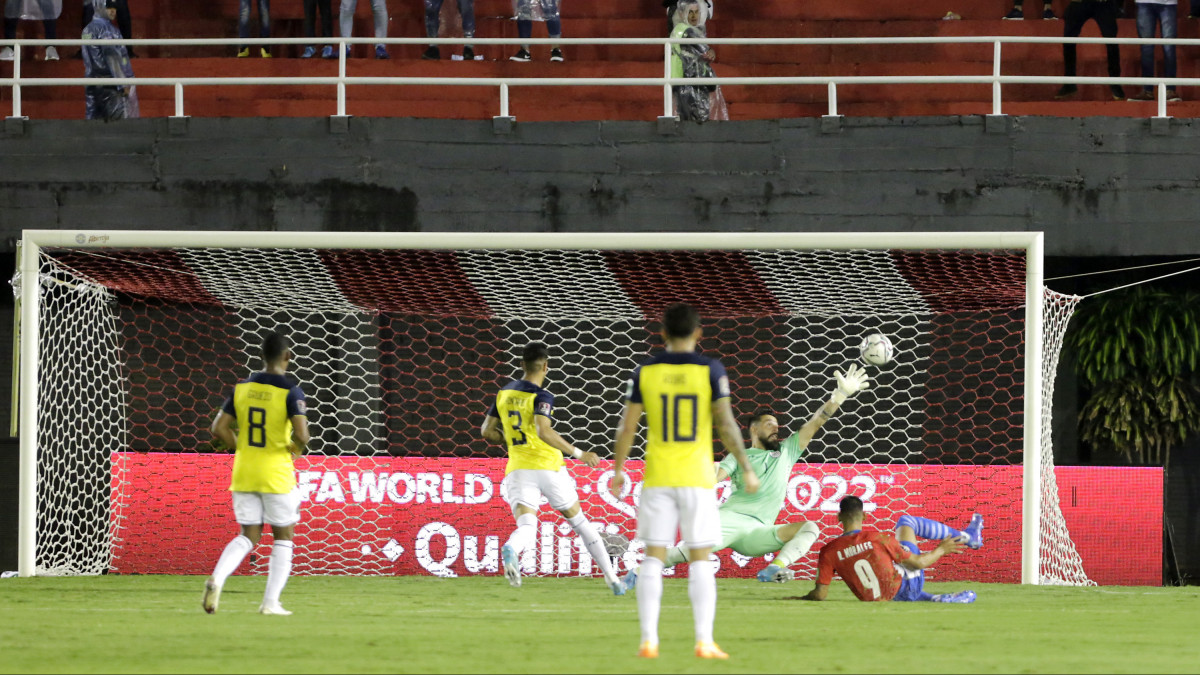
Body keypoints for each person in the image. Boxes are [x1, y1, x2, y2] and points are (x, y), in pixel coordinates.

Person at [628, 365, 871, 587]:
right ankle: (637, 572)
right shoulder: (738, 455)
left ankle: (775, 568)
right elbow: (716, 476)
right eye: (769, 424)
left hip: (759, 532)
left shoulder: (788, 451)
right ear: (753, 429)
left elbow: (816, 422)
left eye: (777, 424)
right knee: (689, 552)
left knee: (809, 527)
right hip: (731, 519)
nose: (776, 427)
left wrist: (839, 396)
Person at [610, 302, 760, 660]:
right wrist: (745, 465)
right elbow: (725, 423)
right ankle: (704, 641)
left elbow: (627, 426)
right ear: (698, 334)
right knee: (699, 557)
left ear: (662, 333)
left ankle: (649, 641)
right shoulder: (711, 369)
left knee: (652, 557)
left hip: (659, 475)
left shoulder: (645, 370)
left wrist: (618, 469)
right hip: (696, 478)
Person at [481, 342, 627, 596]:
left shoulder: (503, 393)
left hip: (518, 469)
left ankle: (512, 549)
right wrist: (580, 454)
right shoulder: (542, 395)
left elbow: (486, 431)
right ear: (546, 366)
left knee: (527, 526)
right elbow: (543, 430)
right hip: (549, 467)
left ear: (521, 364)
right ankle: (613, 580)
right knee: (580, 523)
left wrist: (512, 440)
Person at [203, 331, 311, 616]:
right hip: (275, 472)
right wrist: (296, 449)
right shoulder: (291, 390)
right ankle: (270, 603)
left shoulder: (241, 388)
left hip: (244, 471)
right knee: (283, 535)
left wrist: (241, 448)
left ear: (262, 357)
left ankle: (217, 578)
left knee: (248, 535)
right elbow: (302, 433)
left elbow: (219, 428)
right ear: (288, 357)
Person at [800, 496, 982, 604]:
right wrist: (942, 549)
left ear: (838, 517)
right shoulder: (879, 538)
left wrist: (799, 598)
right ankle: (967, 537)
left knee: (890, 572)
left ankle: (934, 599)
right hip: (905, 588)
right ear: (864, 515)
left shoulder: (828, 551)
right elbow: (920, 563)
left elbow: (820, 594)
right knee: (906, 522)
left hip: (878, 598)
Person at [669, 0, 728, 122]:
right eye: (690, 12)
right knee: (695, 119)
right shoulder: (684, 30)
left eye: (696, 12)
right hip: (687, 80)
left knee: (692, 118)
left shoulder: (690, 30)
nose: (694, 16)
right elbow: (704, 50)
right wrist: (710, 50)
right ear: (682, 14)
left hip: (692, 79)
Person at [1054, 0, 1124, 101]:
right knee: (1068, 38)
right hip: (1079, 2)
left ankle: (1115, 83)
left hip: (1103, 3)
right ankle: (1069, 83)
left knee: (1111, 40)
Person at [82, 0, 138, 121]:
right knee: (119, 127)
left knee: (91, 124)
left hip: (92, 82)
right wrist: (123, 82)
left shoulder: (87, 30)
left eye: (115, 8)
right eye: (109, 7)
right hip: (111, 85)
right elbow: (111, 55)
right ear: (101, 7)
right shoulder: (108, 30)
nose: (113, 11)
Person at [1127, 0, 1181, 101]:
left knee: (1169, 47)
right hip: (1144, 2)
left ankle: (1170, 90)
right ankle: (1148, 91)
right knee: (1147, 48)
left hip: (1168, 3)